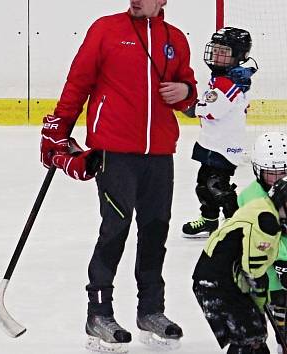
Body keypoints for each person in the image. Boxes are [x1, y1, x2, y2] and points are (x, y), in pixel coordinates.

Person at [39, 0, 197, 351]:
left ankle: (151, 311)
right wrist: (59, 128)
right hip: (114, 151)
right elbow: (78, 81)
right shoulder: (106, 29)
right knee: (115, 229)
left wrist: (186, 92)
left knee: (155, 231)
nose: (136, 0)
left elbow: (188, 87)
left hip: (159, 153)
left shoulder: (176, 38)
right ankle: (99, 312)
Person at [192, 174, 287, 354]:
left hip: (224, 280)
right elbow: (253, 272)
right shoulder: (266, 221)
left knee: (255, 334)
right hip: (216, 284)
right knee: (249, 335)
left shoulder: (266, 209)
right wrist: (261, 300)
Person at [237, 132, 287, 350]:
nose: (278, 179)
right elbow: (263, 235)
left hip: (283, 252)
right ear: (257, 170)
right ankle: (256, 338)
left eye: (284, 172)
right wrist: (282, 260)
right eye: (271, 174)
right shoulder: (252, 196)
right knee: (260, 298)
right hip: (258, 257)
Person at [181, 27, 258, 238]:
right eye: (215, 49)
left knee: (217, 186)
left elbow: (213, 111)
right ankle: (209, 220)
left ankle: (237, 221)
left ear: (239, 56)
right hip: (211, 142)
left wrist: (189, 107)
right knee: (203, 185)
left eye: (223, 51)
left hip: (224, 147)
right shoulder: (222, 78)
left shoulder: (230, 83)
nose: (216, 54)